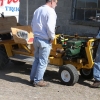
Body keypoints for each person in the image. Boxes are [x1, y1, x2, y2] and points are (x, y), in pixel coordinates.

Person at [30, 0, 58, 87]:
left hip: (36, 38)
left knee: (37, 60)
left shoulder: (37, 10)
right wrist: (52, 37)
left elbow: (32, 24)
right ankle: (38, 81)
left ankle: (32, 78)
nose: (56, 5)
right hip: (44, 40)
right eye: (56, 3)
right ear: (52, 1)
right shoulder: (51, 11)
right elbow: (50, 27)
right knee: (43, 61)